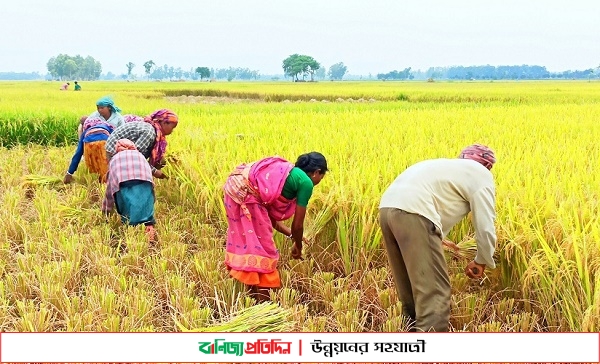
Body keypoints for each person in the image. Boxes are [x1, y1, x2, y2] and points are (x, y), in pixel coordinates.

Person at [378, 144, 497, 332]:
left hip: (387, 210)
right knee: (434, 297)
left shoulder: (446, 167)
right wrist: (482, 259)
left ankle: (409, 348)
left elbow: (435, 202)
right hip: (415, 212)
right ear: (488, 166)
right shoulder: (481, 174)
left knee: (411, 295)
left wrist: (436, 238)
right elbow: (485, 225)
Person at [223, 152, 328, 302]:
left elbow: (269, 219)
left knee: (253, 249)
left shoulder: (284, 175)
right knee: (264, 252)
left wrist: (292, 235)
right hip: (247, 198)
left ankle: (254, 302)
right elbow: (298, 225)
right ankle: (264, 308)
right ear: (317, 172)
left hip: (235, 193)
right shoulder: (305, 182)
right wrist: (297, 246)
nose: (319, 181)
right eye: (321, 177)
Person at [102, 139, 157, 242]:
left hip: (124, 188)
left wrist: (106, 210)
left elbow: (110, 189)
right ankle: (150, 238)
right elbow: (150, 177)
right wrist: (152, 197)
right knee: (147, 218)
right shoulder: (140, 156)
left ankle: (132, 241)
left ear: (117, 149)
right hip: (145, 185)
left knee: (128, 218)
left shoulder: (114, 159)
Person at [104, 109, 178, 179]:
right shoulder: (149, 133)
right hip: (114, 149)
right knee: (123, 177)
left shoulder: (155, 132)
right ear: (165, 123)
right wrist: (155, 172)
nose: (172, 131)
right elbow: (135, 158)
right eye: (172, 127)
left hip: (125, 149)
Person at [64, 116, 115, 184]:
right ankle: (106, 185)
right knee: (105, 166)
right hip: (104, 142)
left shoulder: (86, 131)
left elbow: (78, 153)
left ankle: (96, 183)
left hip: (89, 144)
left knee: (94, 166)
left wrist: (69, 172)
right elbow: (115, 140)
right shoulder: (107, 126)